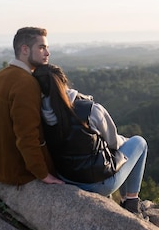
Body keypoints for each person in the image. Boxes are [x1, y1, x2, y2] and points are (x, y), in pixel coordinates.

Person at [32, 64, 148, 216]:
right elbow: (113, 142)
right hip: (98, 184)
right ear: (64, 81)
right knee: (139, 142)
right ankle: (131, 203)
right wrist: (125, 141)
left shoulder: (37, 114)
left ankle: (125, 202)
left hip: (65, 178)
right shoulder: (89, 109)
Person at [0, 27, 63, 186]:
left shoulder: (0, 75)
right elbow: (27, 136)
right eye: (41, 47)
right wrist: (43, 174)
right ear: (25, 49)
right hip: (14, 172)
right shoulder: (26, 83)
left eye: (47, 48)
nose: (47, 53)